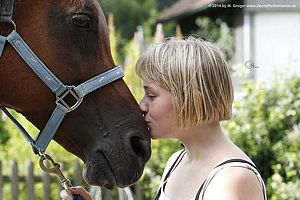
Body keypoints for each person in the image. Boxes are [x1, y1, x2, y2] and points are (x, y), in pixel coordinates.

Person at [60, 37, 267, 200]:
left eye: (151, 95)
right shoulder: (176, 162)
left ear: (193, 100)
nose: (142, 105)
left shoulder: (231, 180)